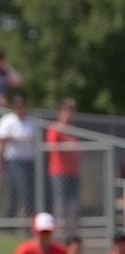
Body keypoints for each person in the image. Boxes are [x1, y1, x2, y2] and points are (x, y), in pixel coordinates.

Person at [0, 93, 37, 221]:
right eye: (18, 105)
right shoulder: (7, 120)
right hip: (14, 162)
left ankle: (27, 221)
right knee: (15, 192)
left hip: (29, 161)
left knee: (28, 192)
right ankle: (10, 220)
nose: (20, 108)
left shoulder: (30, 121)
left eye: (22, 105)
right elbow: (0, 140)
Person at [46, 99, 81, 236]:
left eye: (72, 111)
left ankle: (72, 231)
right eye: (67, 111)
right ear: (60, 112)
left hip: (73, 172)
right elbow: (53, 146)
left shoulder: (73, 130)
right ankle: (60, 232)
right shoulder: (55, 128)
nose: (69, 114)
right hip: (59, 172)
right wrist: (69, 147)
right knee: (60, 203)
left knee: (73, 204)